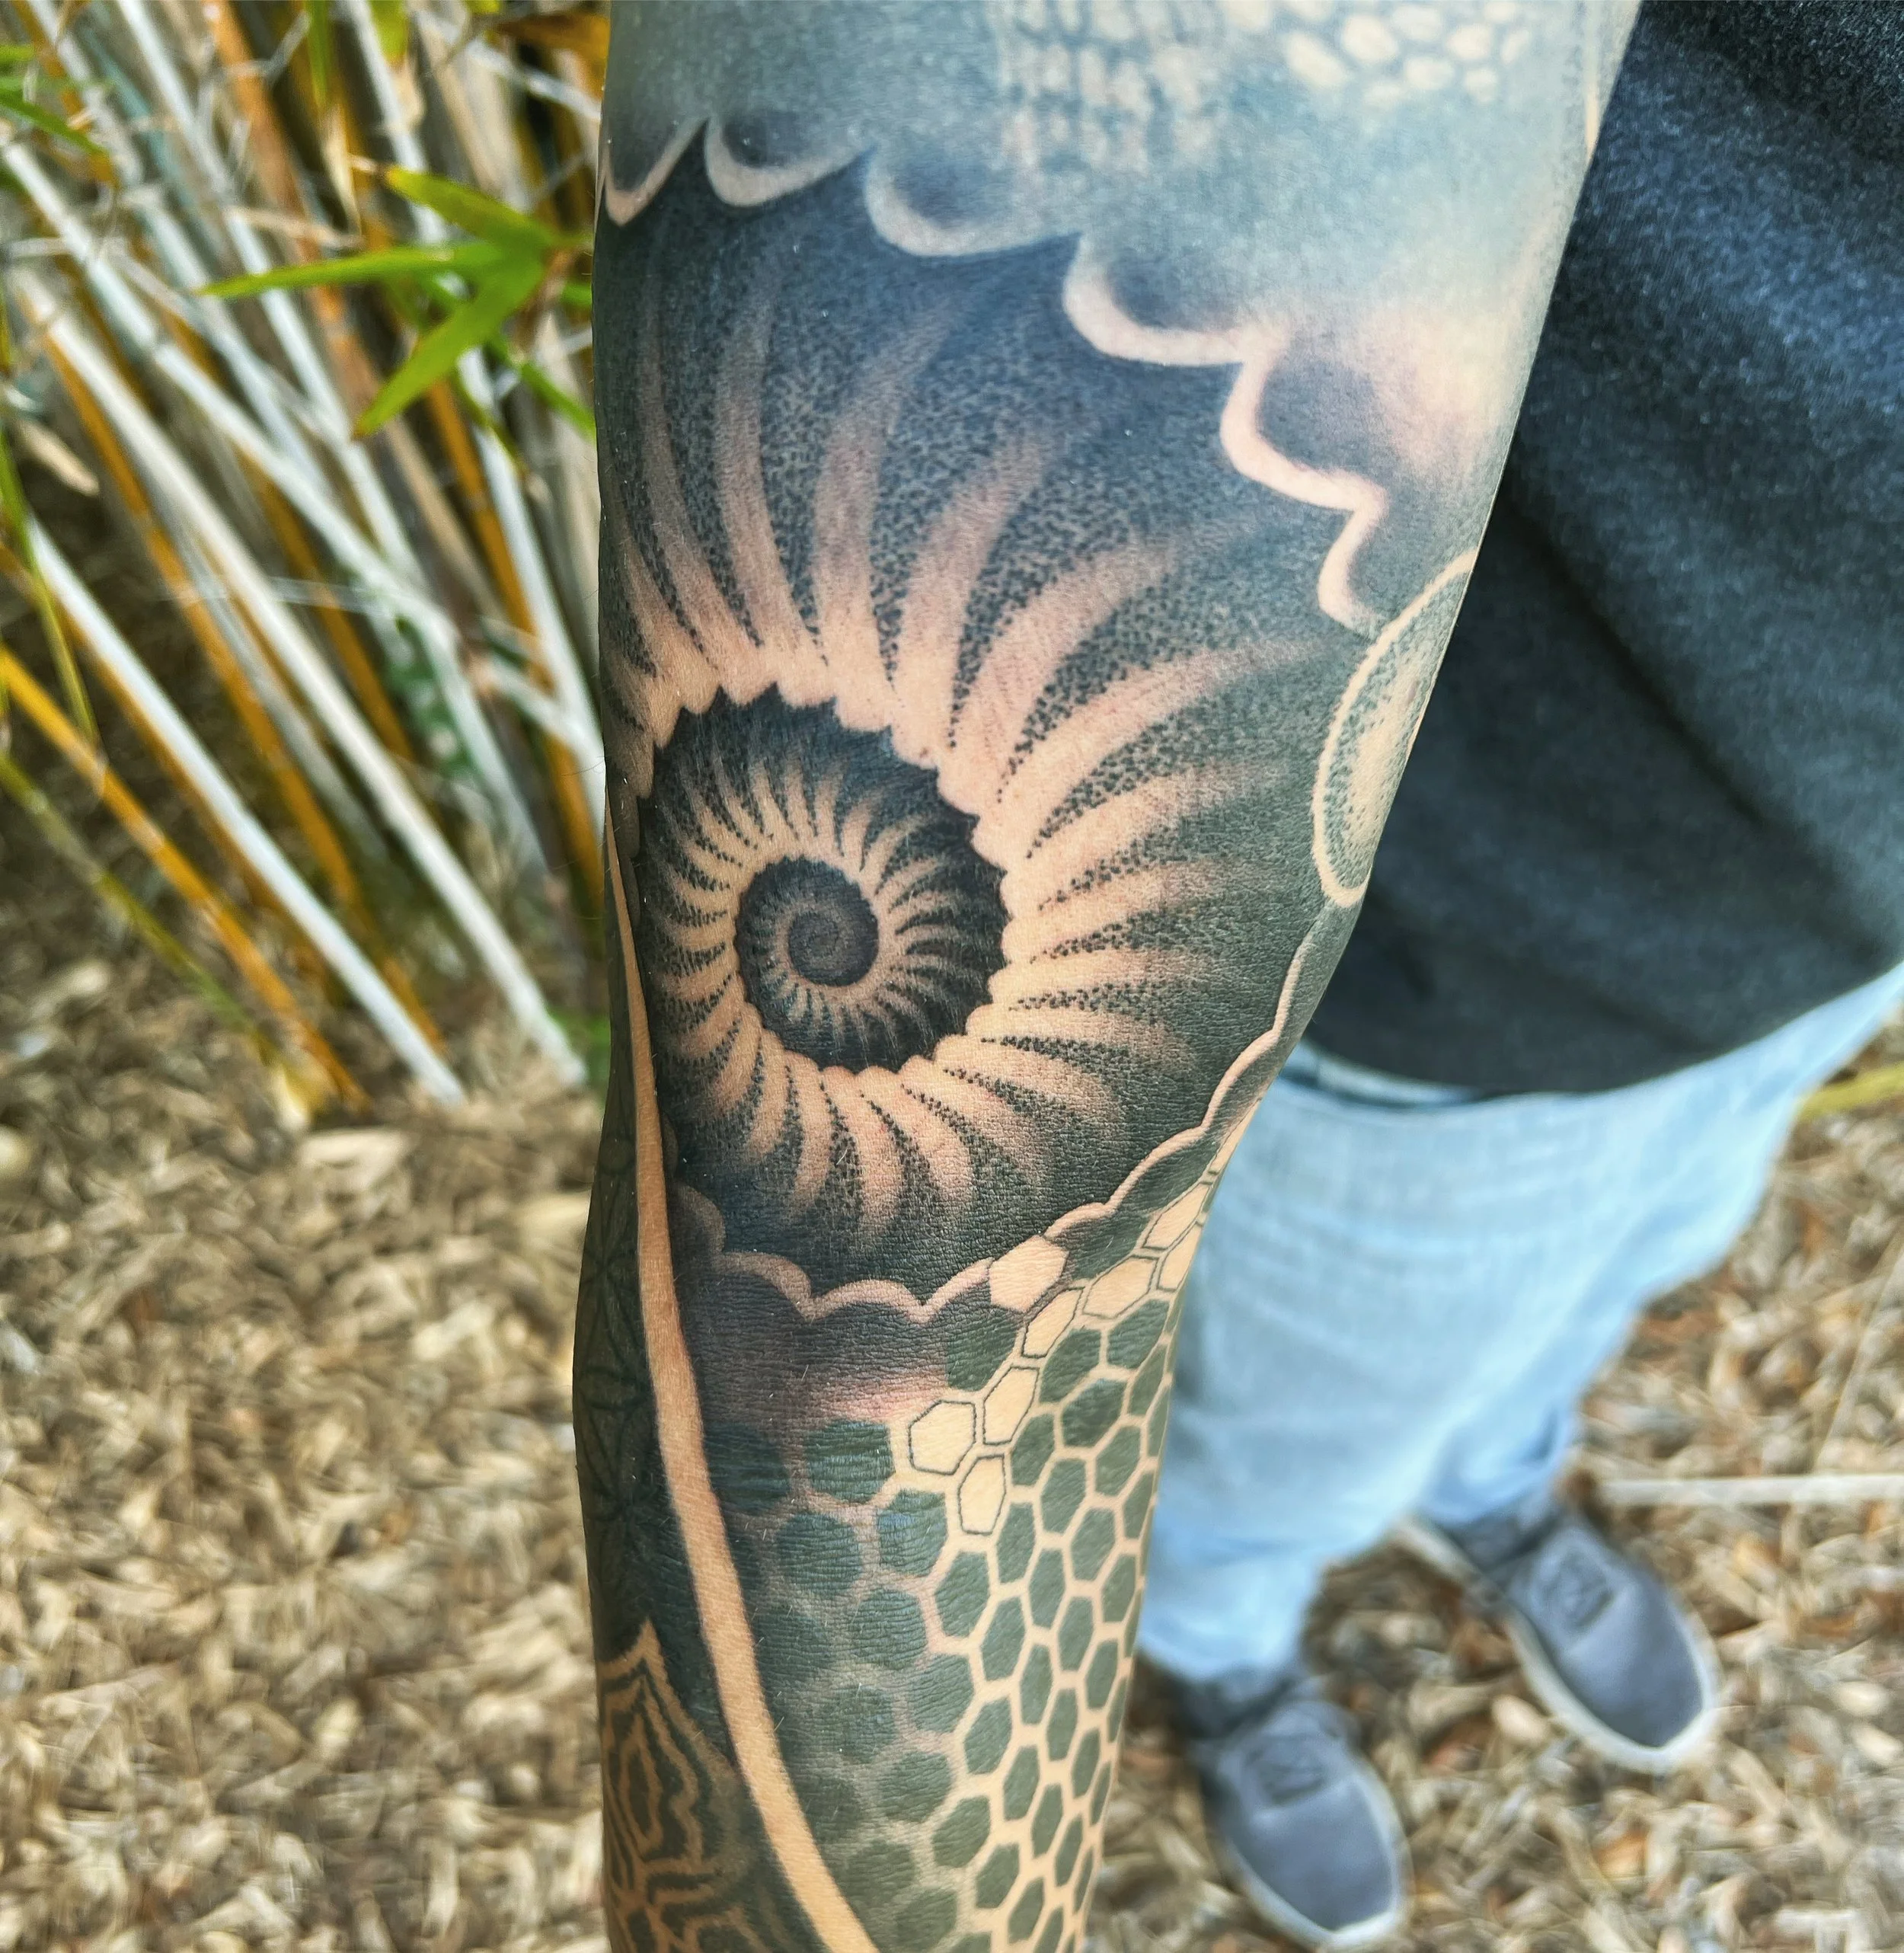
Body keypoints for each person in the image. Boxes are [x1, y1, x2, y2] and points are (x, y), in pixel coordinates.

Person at [574, 5, 1903, 1951]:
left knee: (1591, 1301)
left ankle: (1494, 1476)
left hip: (1826, 916)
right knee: (1289, 1437)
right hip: (1465, 986)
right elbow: (874, 1350)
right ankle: (1225, 1648)